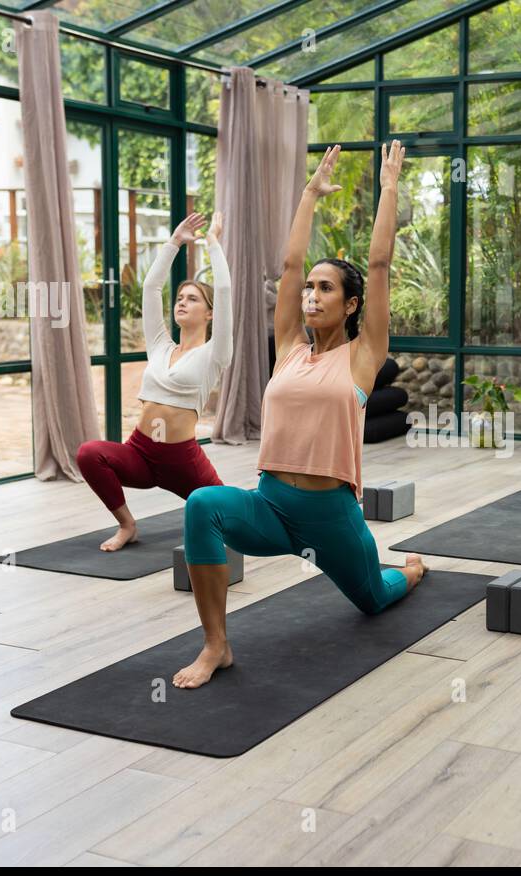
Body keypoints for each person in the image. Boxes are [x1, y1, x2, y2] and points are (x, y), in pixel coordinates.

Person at [173, 141, 426, 690]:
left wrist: (388, 189)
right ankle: (217, 645)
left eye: (325, 288)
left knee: (374, 598)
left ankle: (409, 569)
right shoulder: (288, 346)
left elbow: (379, 264)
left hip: (330, 516)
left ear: (351, 304)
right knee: (202, 505)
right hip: (269, 505)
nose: (311, 295)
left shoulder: (362, 357)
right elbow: (288, 265)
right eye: (309, 288)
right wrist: (309, 195)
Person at [76, 211, 230, 551]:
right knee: (89, 453)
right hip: (140, 452)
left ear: (211, 313)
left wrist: (213, 244)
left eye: (192, 299)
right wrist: (174, 243)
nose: (182, 303)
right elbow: (151, 287)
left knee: (230, 521)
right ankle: (127, 525)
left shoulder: (214, 354)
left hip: (182, 460)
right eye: (179, 298)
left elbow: (224, 288)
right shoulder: (160, 346)